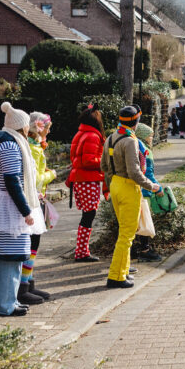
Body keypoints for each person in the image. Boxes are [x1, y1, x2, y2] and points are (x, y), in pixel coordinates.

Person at [0, 102, 45, 316]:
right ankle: (4, 305)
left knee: (16, 256)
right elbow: (12, 181)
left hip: (10, 205)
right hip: (11, 208)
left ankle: (10, 300)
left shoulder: (10, 142)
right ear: (22, 127)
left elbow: (17, 180)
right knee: (11, 257)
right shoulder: (11, 145)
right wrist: (26, 211)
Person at [101, 106, 161, 288]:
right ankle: (116, 276)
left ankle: (124, 271)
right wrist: (153, 187)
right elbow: (134, 172)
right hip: (128, 187)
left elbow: (103, 166)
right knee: (127, 236)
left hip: (115, 185)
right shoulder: (130, 141)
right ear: (136, 122)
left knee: (125, 232)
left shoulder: (111, 138)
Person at [18, 112, 57, 306]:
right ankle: (23, 285)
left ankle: (29, 282)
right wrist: (52, 175)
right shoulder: (33, 150)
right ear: (38, 128)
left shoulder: (35, 147)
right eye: (47, 129)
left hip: (37, 199)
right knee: (31, 244)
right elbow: (35, 179)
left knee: (34, 244)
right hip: (33, 200)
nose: (48, 133)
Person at [69, 104, 107, 263]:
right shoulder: (92, 136)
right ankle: (82, 251)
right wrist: (105, 161)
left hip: (80, 179)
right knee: (89, 215)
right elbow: (89, 160)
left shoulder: (81, 133)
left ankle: (81, 250)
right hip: (88, 179)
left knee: (87, 215)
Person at [131, 122, 162, 262]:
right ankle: (145, 249)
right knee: (144, 222)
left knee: (134, 222)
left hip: (135, 190)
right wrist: (158, 188)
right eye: (150, 136)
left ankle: (132, 249)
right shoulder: (145, 151)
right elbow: (148, 173)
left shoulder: (135, 146)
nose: (151, 138)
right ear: (143, 136)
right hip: (144, 192)